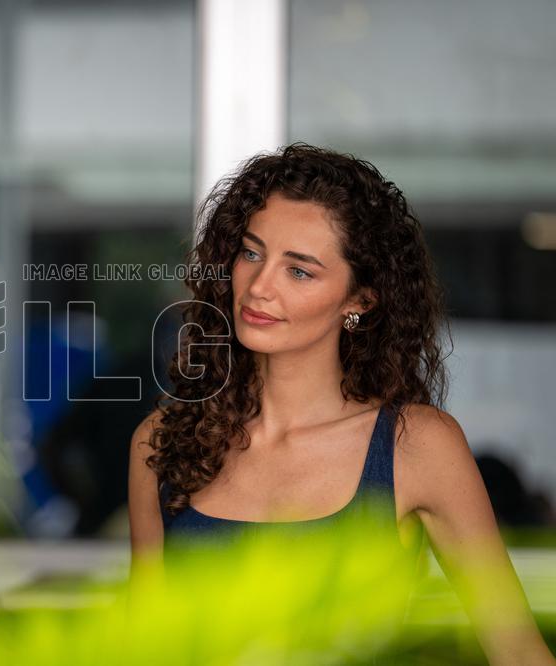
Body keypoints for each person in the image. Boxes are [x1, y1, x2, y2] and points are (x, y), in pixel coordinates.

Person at [128, 144, 555, 665]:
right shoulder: (163, 440)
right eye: (251, 253)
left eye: (299, 271)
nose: (260, 287)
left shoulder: (417, 447)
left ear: (360, 301)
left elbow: (517, 652)